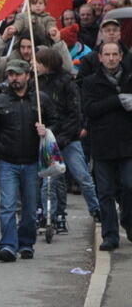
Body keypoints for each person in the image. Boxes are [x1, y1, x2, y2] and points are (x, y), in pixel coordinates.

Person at [0, 59, 57, 262]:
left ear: (27, 76)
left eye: (17, 74)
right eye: (10, 75)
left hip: (33, 162)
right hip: (7, 162)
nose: (14, 78)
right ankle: (8, 244)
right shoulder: (0, 101)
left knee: (30, 208)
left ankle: (26, 243)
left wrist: (48, 130)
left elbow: (57, 122)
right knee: (8, 205)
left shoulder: (40, 100)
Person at [34, 47, 99, 232]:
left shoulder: (67, 83)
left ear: (47, 64)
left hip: (68, 140)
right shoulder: (36, 84)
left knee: (82, 176)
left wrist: (63, 138)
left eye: (38, 62)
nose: (35, 65)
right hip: (48, 139)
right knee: (49, 181)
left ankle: (96, 210)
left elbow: (74, 114)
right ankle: (49, 216)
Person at [81, 42, 132, 251]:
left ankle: (128, 222)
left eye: (114, 54)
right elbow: (89, 109)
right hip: (102, 145)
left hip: (128, 145)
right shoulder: (91, 82)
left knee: (129, 185)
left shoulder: (130, 79)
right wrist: (117, 101)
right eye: (107, 54)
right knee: (105, 192)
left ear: (121, 56)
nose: (111, 58)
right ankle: (110, 235)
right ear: (100, 57)